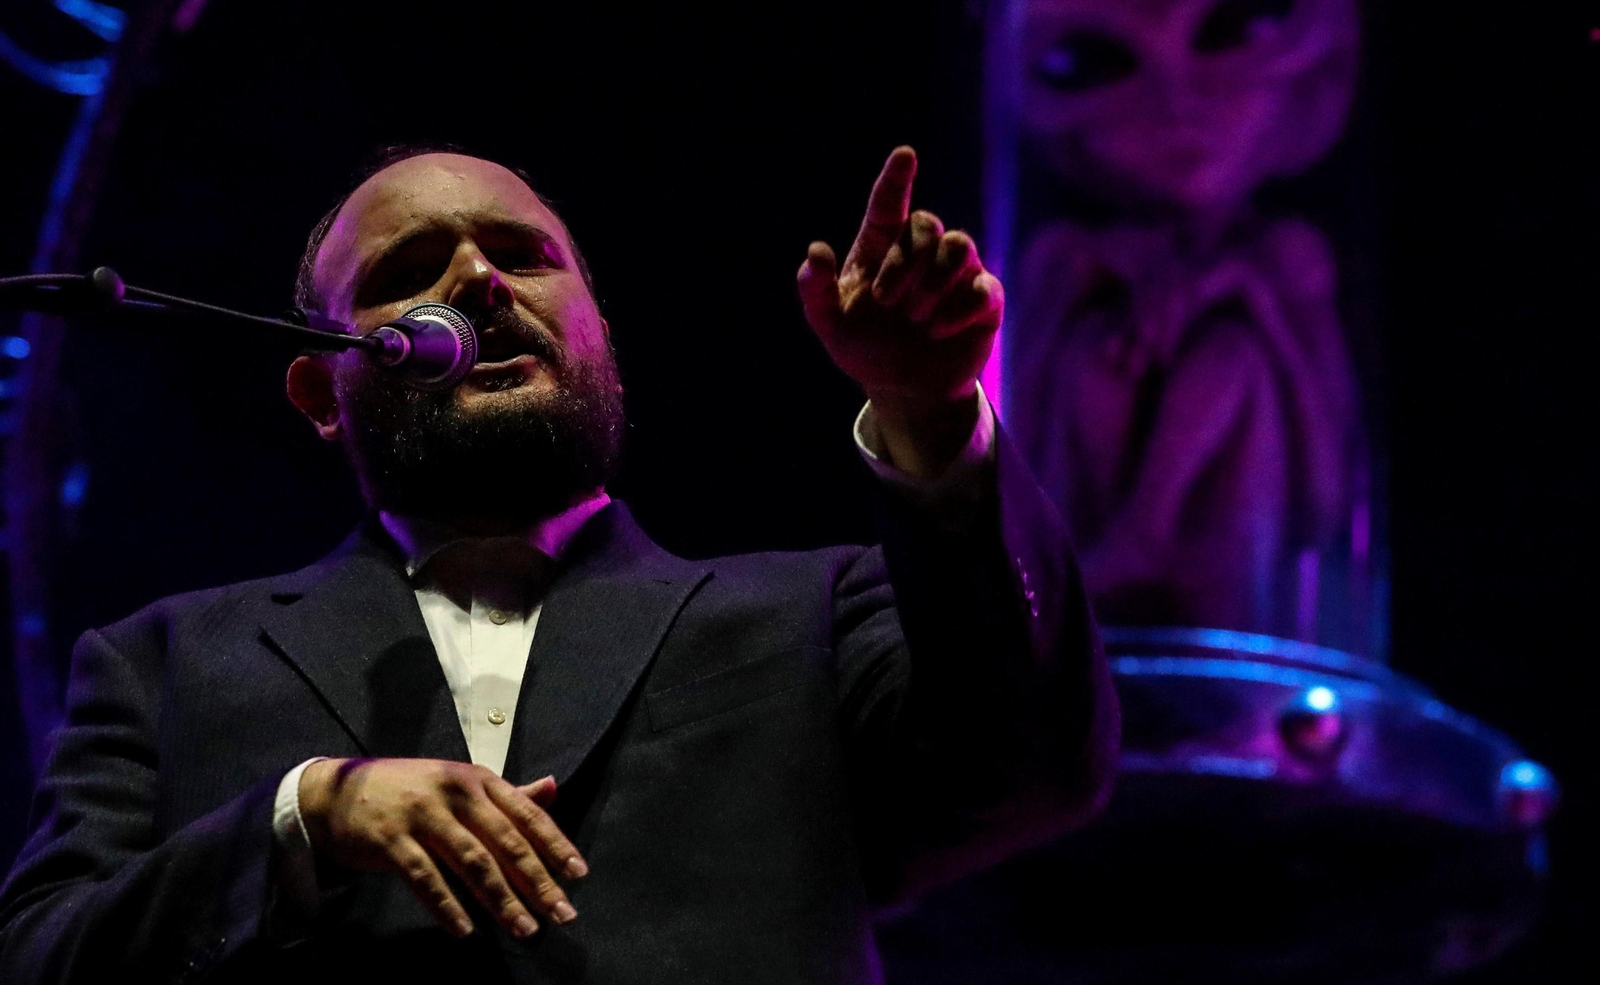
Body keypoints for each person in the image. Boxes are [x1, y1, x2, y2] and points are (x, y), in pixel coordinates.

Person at [0, 145, 1116, 983]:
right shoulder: (162, 665)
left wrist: (929, 413)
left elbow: (1033, 763)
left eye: (525, 255)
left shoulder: (817, 616)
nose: (480, 280)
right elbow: (40, 956)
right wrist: (305, 818)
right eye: (411, 269)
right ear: (318, 392)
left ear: (596, 335)